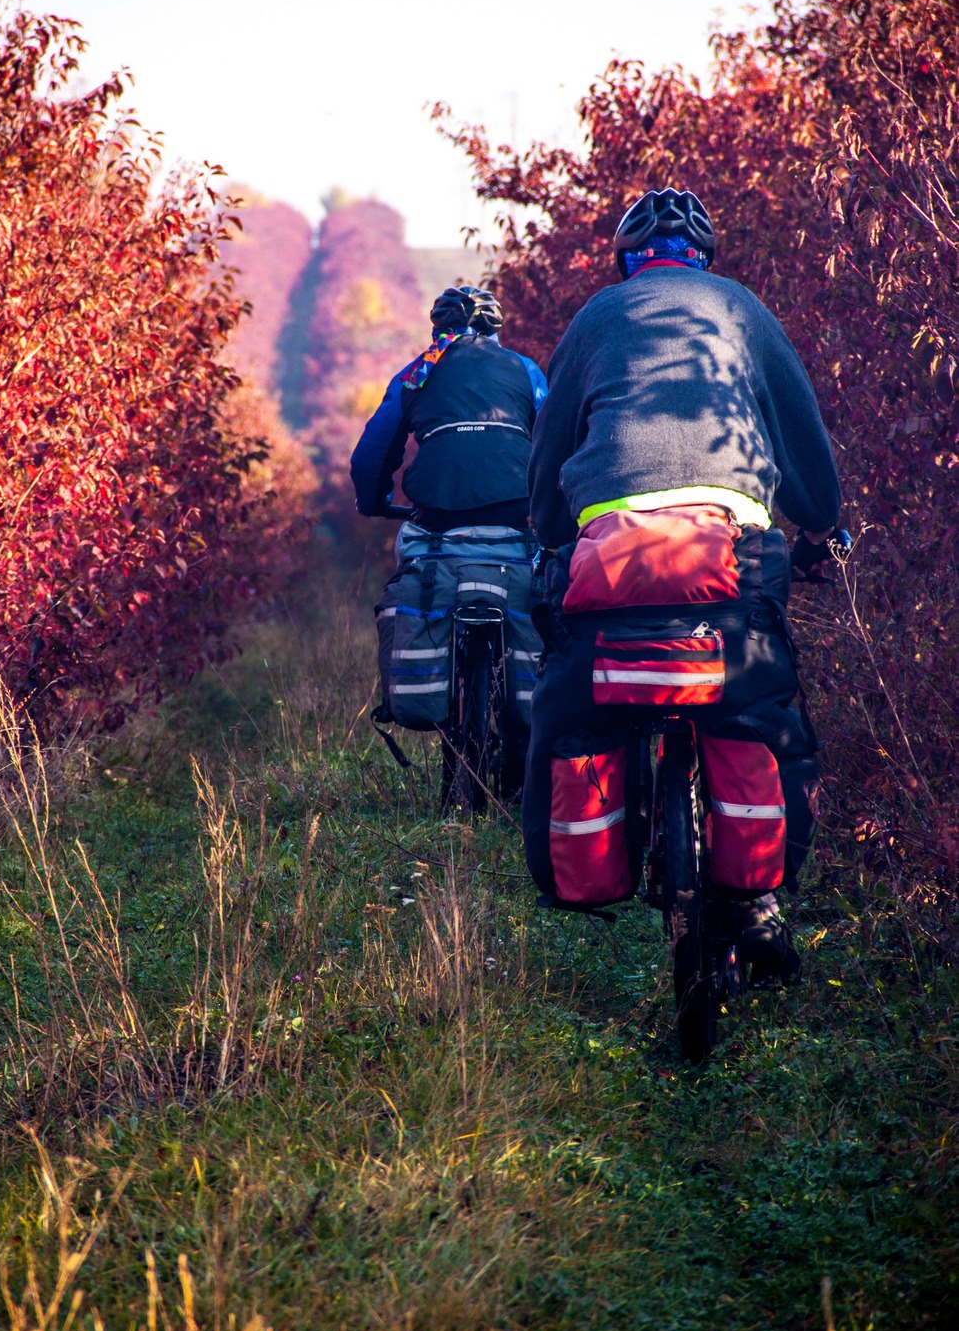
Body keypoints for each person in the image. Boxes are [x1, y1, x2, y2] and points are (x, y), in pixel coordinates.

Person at [524, 188, 844, 983]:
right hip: (732, 547)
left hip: (610, 553)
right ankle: (757, 899)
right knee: (760, 699)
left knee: (575, 700)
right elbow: (797, 428)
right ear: (703, 259)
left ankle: (608, 849)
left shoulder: (594, 318)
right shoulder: (740, 309)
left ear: (624, 262)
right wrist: (819, 522)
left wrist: (549, 530)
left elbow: (550, 443)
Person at [350, 286, 547, 531]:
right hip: (517, 501)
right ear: (493, 330)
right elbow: (553, 439)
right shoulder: (526, 368)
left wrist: (374, 503)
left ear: (438, 329)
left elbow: (372, 453)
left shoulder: (413, 375)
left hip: (438, 508)